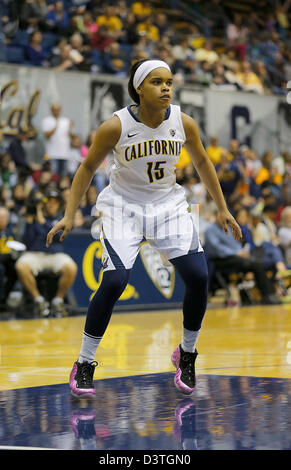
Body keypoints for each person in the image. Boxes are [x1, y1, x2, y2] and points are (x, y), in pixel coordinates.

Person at [46, 58, 242, 399]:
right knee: (115, 281)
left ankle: (187, 353)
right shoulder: (115, 126)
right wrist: (68, 214)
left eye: (168, 81)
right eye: (156, 82)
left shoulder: (183, 121)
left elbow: (202, 163)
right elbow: (87, 167)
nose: (166, 87)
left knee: (198, 276)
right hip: (123, 207)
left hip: (168, 206)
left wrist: (222, 208)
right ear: (139, 88)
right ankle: (85, 361)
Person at [16, 190, 77, 317]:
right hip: (35, 255)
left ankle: (58, 300)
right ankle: (39, 300)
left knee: (71, 267)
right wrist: (29, 222)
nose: (51, 204)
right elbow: (27, 241)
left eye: (54, 202)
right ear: (44, 204)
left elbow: (59, 237)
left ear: (58, 204)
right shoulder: (33, 218)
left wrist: (42, 221)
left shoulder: (60, 219)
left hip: (55, 255)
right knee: (21, 266)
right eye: (48, 201)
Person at [41, 102, 74, 177]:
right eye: (54, 109)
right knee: (53, 176)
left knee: (64, 176)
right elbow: (47, 136)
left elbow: (71, 137)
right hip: (52, 154)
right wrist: (56, 126)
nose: (56, 111)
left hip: (64, 154)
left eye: (58, 109)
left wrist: (70, 130)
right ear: (51, 110)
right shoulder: (47, 120)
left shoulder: (66, 121)